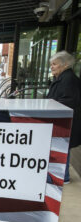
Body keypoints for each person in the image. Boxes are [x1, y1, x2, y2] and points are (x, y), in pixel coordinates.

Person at [46, 51, 81, 184]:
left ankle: (63, 176)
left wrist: (50, 105)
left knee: (63, 146)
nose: (52, 67)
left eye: (54, 64)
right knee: (62, 146)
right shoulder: (62, 78)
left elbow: (69, 101)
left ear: (65, 65)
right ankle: (62, 175)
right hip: (64, 121)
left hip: (67, 122)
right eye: (51, 64)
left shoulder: (68, 79)